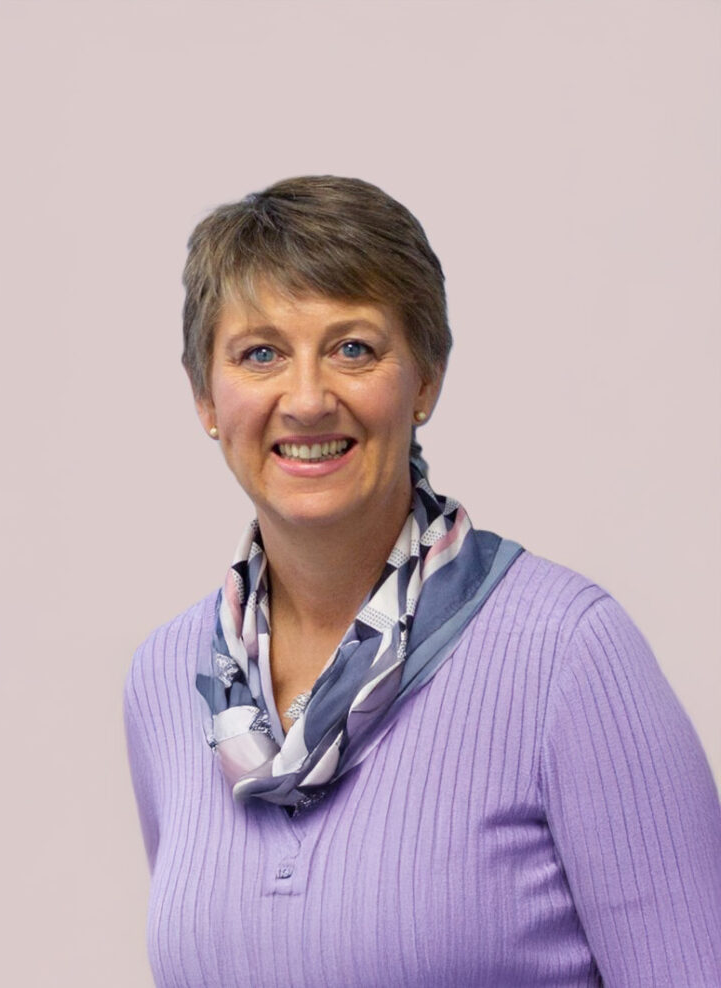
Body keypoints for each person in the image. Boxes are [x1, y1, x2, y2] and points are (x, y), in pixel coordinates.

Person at [124, 176, 721, 987]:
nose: (306, 399)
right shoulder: (169, 678)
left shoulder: (568, 653)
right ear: (206, 396)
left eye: (354, 348)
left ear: (426, 381)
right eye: (260, 354)